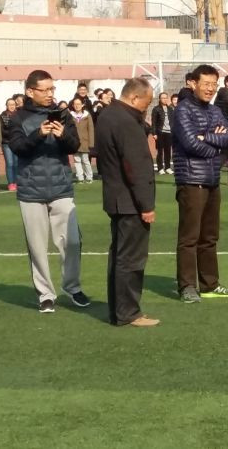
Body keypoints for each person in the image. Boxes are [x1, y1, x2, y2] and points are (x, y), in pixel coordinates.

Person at [8, 70, 90, 313]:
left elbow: (74, 145)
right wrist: (38, 134)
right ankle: (45, 294)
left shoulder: (63, 114)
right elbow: (17, 147)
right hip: (31, 190)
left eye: (52, 89)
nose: (49, 94)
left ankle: (73, 287)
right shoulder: (17, 117)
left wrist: (62, 134)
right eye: (44, 90)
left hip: (61, 187)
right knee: (37, 246)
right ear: (30, 91)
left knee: (72, 241)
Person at [95, 77, 160, 327]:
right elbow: (136, 166)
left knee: (120, 256)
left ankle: (119, 310)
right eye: (146, 102)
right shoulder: (125, 121)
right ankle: (128, 312)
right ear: (134, 97)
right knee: (131, 259)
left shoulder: (108, 115)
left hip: (116, 197)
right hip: (130, 200)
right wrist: (147, 205)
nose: (147, 107)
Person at [172, 64, 228, 304]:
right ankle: (187, 286)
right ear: (193, 83)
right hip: (191, 181)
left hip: (212, 180)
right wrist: (215, 147)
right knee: (189, 237)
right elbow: (191, 144)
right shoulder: (182, 110)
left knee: (210, 237)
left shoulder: (214, 110)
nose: (210, 89)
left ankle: (210, 284)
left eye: (214, 84)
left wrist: (208, 137)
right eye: (206, 84)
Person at [70, 96, 94, 183]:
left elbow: (91, 129)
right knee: (77, 161)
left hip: (85, 141)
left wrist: (91, 143)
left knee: (85, 160)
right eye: (75, 104)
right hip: (74, 142)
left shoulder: (87, 115)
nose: (77, 106)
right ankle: (80, 178)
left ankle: (89, 177)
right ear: (73, 105)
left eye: (79, 104)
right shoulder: (70, 115)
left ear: (82, 105)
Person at [151, 92, 175, 175]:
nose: (164, 99)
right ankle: (160, 168)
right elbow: (154, 122)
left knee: (168, 151)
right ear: (160, 99)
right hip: (160, 132)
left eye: (166, 98)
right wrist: (154, 133)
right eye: (163, 98)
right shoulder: (156, 109)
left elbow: (172, 122)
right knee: (160, 151)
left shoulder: (170, 109)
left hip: (169, 133)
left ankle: (168, 167)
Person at [0, 98, 18, 191]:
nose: (12, 106)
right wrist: (13, 132)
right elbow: (2, 130)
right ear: (6, 106)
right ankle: (11, 183)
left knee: (16, 163)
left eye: (13, 104)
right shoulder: (2, 116)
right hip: (6, 142)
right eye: (10, 104)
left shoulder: (18, 115)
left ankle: (16, 182)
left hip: (17, 142)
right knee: (10, 163)